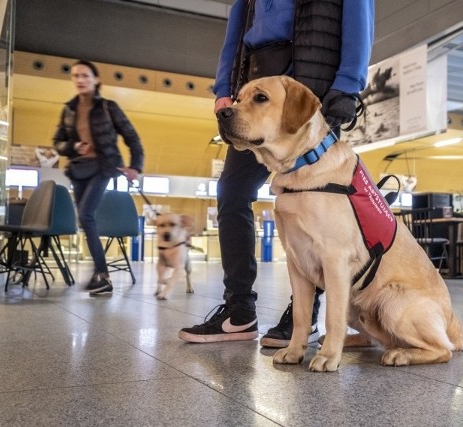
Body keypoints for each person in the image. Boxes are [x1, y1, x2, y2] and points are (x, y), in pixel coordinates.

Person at [179, 0, 374, 345]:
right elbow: (235, 36)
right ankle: (238, 310)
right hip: (259, 81)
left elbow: (359, 16)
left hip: (312, 85)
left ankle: (304, 318)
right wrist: (224, 90)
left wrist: (348, 83)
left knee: (315, 211)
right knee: (232, 192)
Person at [53, 60, 144, 296]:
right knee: (86, 219)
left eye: (85, 75)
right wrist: (74, 145)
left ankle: (102, 275)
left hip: (104, 166)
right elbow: (57, 142)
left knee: (85, 214)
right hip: (78, 169)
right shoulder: (69, 109)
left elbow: (132, 137)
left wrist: (136, 166)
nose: (80, 80)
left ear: (96, 79)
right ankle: (101, 276)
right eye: (75, 76)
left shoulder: (108, 107)